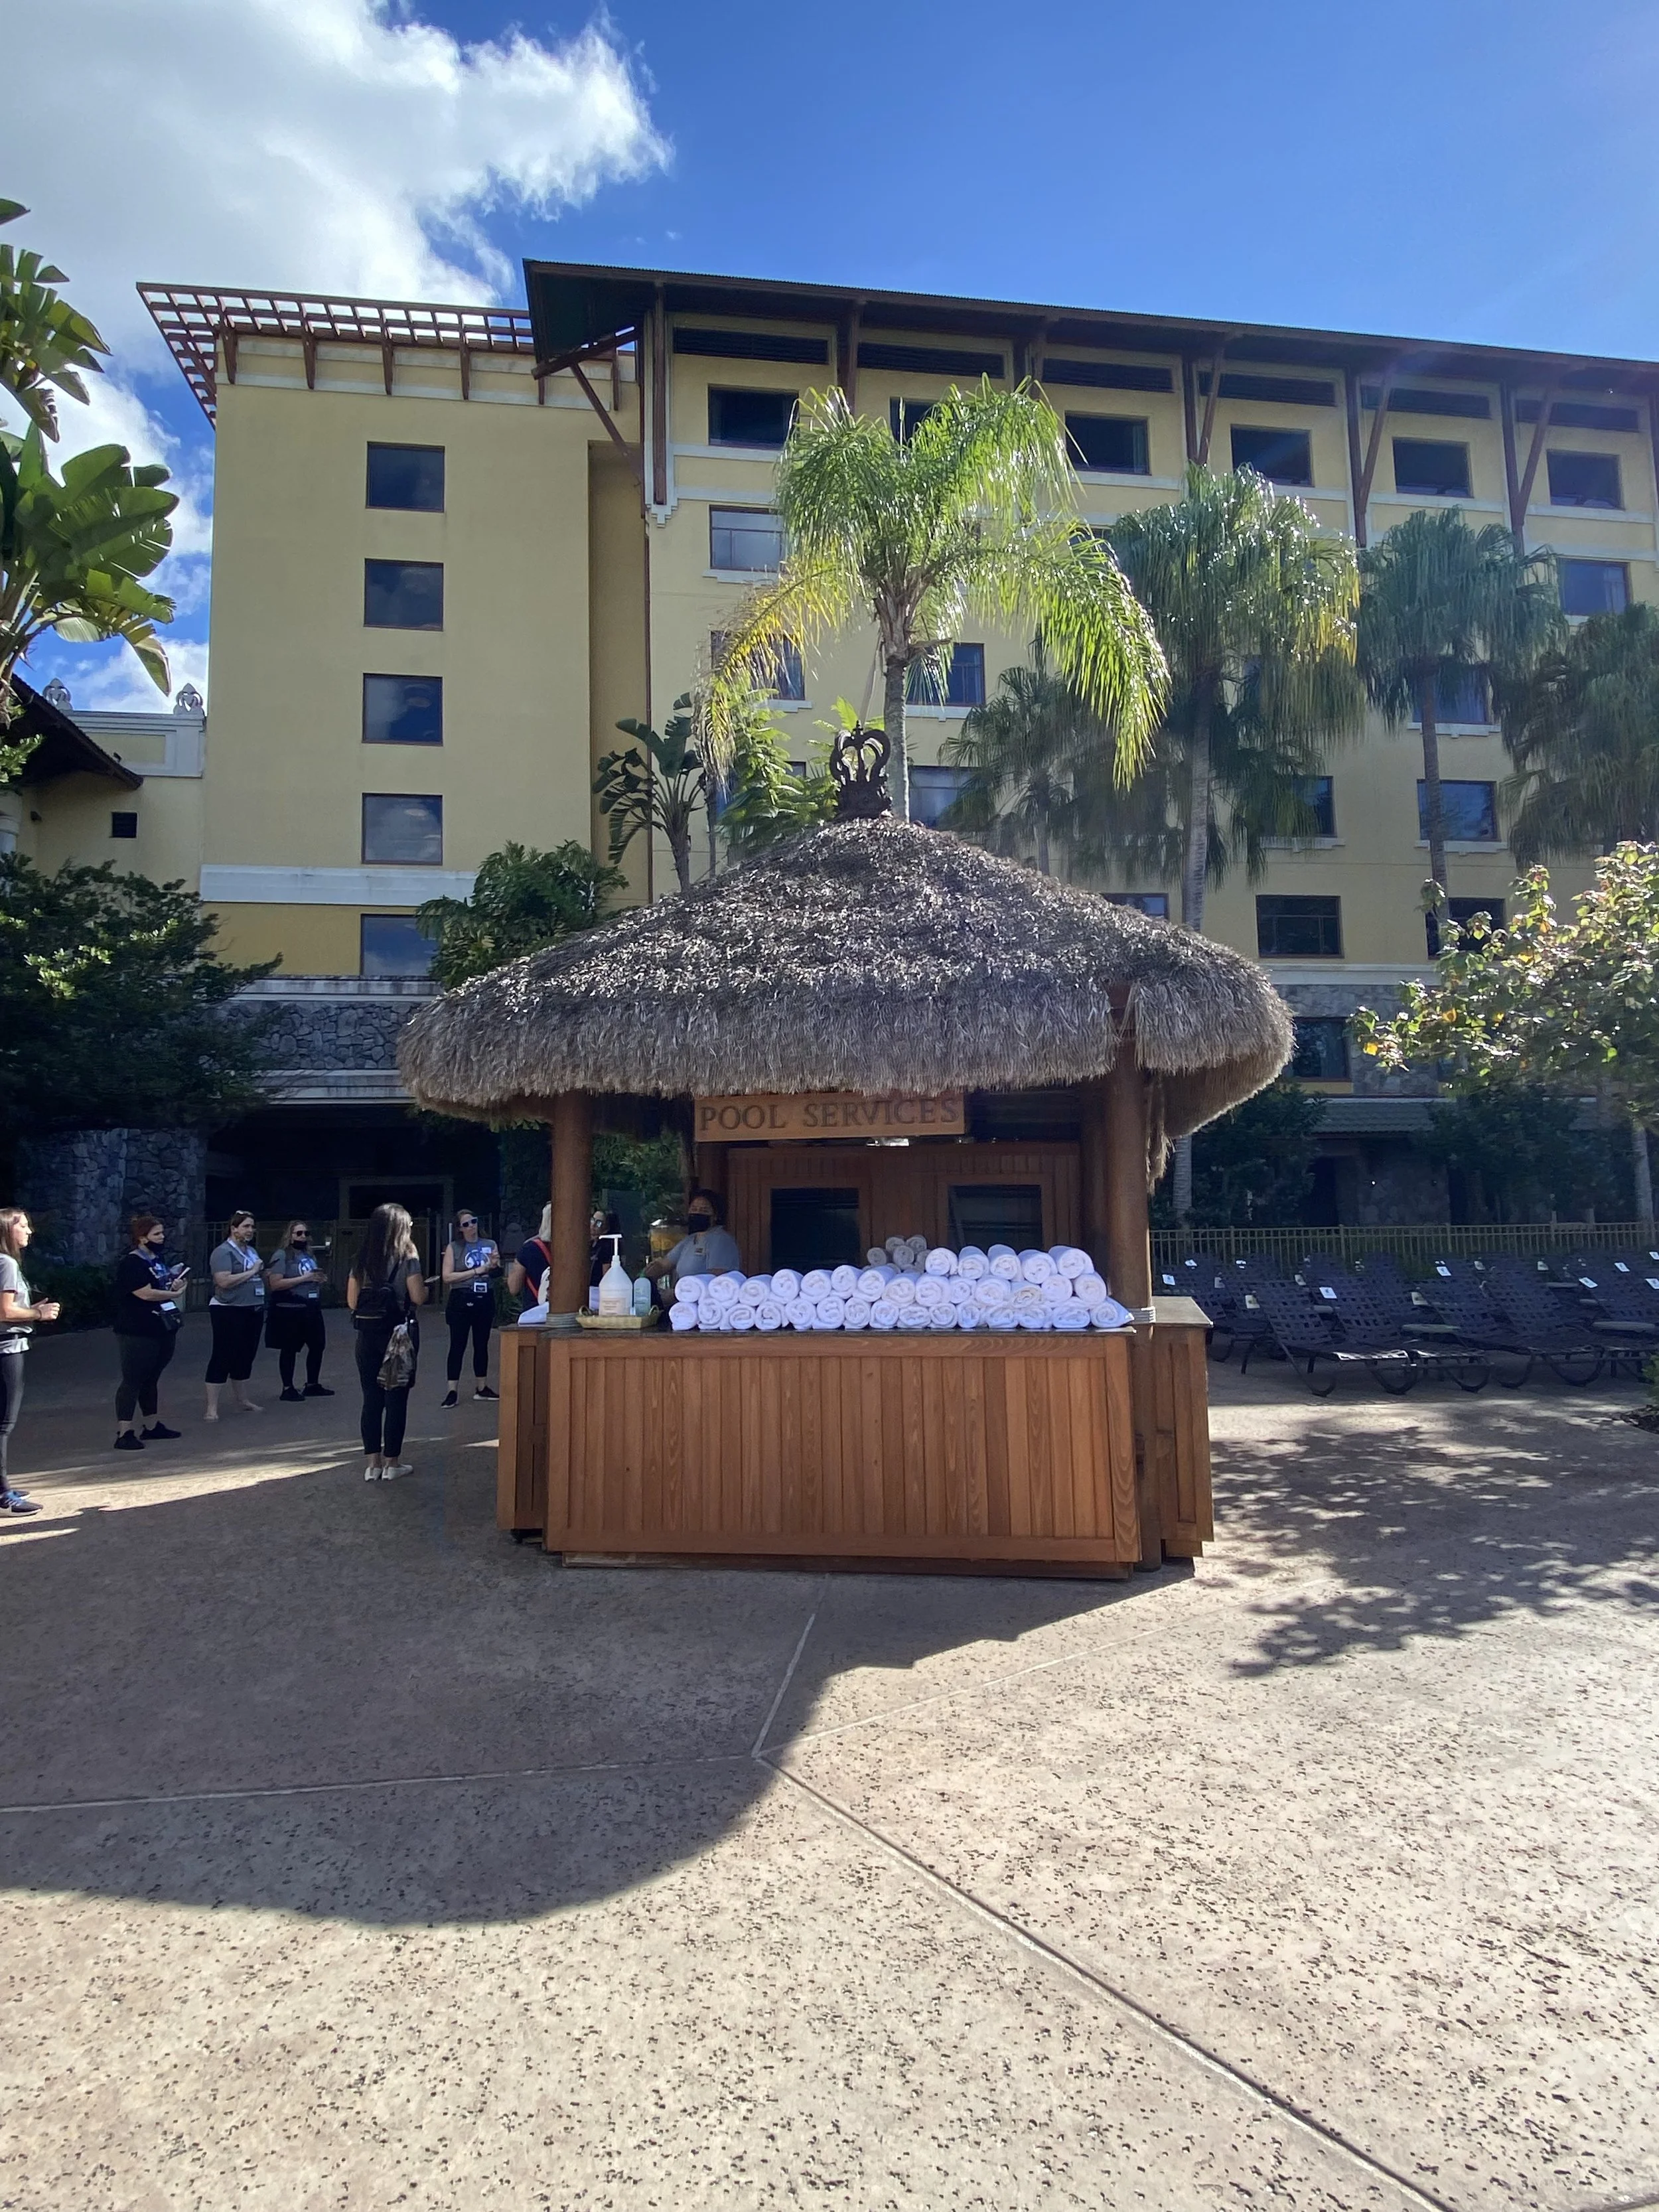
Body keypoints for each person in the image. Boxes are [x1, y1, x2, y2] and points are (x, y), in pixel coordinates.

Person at [346, 1202, 427, 1481]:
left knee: (371, 1399)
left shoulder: (362, 1257)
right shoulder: (408, 1255)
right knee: (396, 1398)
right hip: (399, 1334)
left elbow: (352, 1301)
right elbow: (417, 1297)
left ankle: (373, 1464)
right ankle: (393, 1463)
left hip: (367, 1334)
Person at [0, 1209, 60, 1516]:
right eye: (23, 1226)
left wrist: (30, 1309)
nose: (29, 1231)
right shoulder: (6, 1263)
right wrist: (38, 1314)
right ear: (8, 1230)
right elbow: (5, 1313)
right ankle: (3, 1495)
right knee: (3, 1423)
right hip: (6, 1349)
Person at [113, 1215, 186, 1450]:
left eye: (162, 1233)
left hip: (162, 1326)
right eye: (156, 1235)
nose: (161, 1238)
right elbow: (144, 1293)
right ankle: (124, 1431)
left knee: (151, 1378)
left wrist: (173, 1285)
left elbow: (159, 1286)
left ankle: (152, 1425)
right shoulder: (132, 1263)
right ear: (142, 1238)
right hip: (137, 1329)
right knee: (133, 1379)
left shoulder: (157, 1259)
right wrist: (172, 1295)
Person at [204, 1209, 265, 1420]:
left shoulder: (251, 1251)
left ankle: (242, 1400)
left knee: (245, 1355)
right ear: (234, 1229)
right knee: (223, 1355)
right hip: (228, 1310)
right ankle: (212, 1407)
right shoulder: (223, 1252)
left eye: (252, 1226)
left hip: (252, 1308)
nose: (251, 1230)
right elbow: (224, 1281)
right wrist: (252, 1272)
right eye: (246, 1226)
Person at [265, 1220, 332, 1400]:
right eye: (299, 1233)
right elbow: (275, 1283)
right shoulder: (282, 1255)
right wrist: (304, 1279)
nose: (303, 1237)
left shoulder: (308, 1255)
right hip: (291, 1307)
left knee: (318, 1345)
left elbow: (310, 1276)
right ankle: (288, 1387)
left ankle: (312, 1384)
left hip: (311, 1306)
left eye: (306, 1233)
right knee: (290, 1348)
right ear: (290, 1236)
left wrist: (317, 1279)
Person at [441, 1208, 500, 1407]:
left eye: (473, 1222)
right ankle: (452, 1390)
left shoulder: (490, 1244)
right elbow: (447, 1276)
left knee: (481, 1343)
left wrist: (493, 1267)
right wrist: (475, 1271)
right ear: (460, 1229)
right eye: (466, 1224)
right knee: (458, 1344)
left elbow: (495, 1273)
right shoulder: (454, 1248)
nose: (471, 1227)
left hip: (484, 1296)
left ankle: (481, 1386)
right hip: (461, 1297)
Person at [652, 1191, 741, 1286]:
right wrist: (647, 1275)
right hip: (685, 1297)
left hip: (705, 1299)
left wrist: (675, 1294)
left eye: (704, 1211)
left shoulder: (721, 1240)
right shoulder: (690, 1240)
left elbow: (717, 1279)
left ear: (715, 1215)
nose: (697, 1213)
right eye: (694, 1209)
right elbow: (664, 1265)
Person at [507, 1203, 552, 1312]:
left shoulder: (529, 1249)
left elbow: (513, 1288)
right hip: (569, 1313)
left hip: (535, 1312)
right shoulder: (578, 1249)